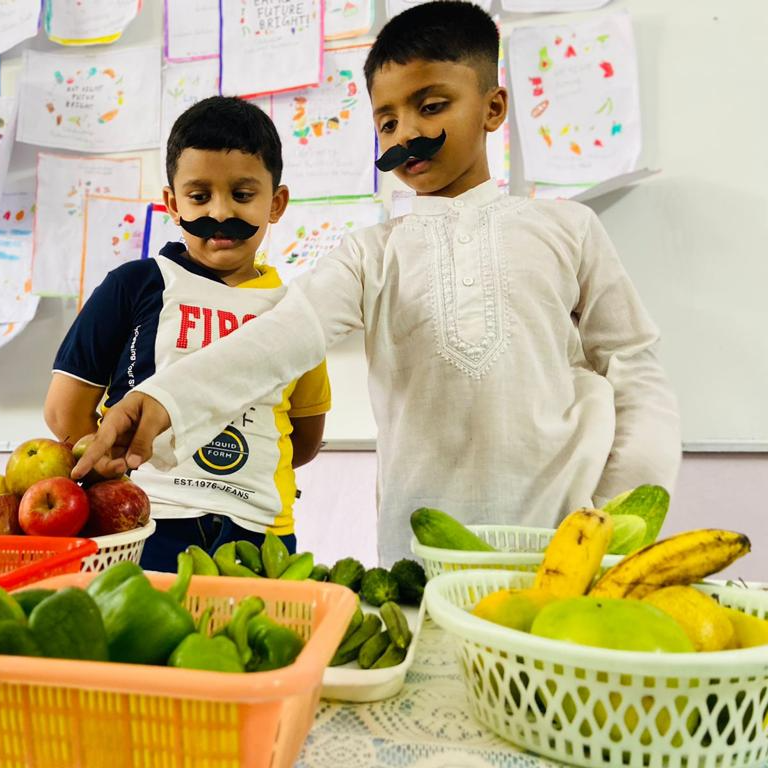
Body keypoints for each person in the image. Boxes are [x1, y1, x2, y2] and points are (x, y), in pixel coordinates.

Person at [73, 2, 681, 566]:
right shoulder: (370, 254)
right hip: (422, 556)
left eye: (431, 106)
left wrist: (620, 512)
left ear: (493, 108)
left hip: (570, 541)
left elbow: (633, 367)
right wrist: (164, 400)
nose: (405, 133)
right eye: (387, 120)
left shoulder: (569, 229)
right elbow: (284, 334)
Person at [47, 96, 331, 570]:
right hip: (145, 523)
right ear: (173, 204)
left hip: (262, 532)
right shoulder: (135, 285)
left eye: (243, 195)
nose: (220, 212)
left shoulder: (297, 311)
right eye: (200, 197)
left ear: (276, 203)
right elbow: (65, 411)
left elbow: (304, 438)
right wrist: (118, 482)